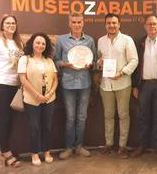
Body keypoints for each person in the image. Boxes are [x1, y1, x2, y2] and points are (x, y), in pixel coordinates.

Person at [54, 12, 96, 159]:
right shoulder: (61, 40)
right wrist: (65, 64)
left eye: (79, 22)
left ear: (83, 23)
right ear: (69, 23)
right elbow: (55, 61)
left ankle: (79, 146)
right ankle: (68, 147)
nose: (77, 25)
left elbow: (94, 62)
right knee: (70, 117)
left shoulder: (90, 40)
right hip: (68, 83)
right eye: (74, 22)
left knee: (82, 117)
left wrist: (91, 65)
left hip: (85, 83)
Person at [97, 13, 138, 158]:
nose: (111, 25)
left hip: (123, 83)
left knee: (123, 115)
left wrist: (122, 72)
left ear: (119, 24)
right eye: (109, 23)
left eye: (114, 23)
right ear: (105, 24)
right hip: (106, 85)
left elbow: (134, 60)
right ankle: (109, 144)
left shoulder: (127, 40)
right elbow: (99, 59)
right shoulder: (101, 41)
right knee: (108, 115)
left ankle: (122, 146)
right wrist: (99, 62)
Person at [131, 15, 157, 159]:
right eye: (149, 24)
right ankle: (142, 146)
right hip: (144, 86)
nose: (152, 27)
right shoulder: (139, 42)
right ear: (145, 26)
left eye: (154, 24)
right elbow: (135, 65)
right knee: (143, 117)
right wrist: (135, 86)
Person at [0, 14, 23, 167]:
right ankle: (6, 152)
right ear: (2, 26)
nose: (10, 25)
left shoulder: (18, 42)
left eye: (13, 23)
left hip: (14, 86)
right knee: (3, 119)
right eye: (7, 23)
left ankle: (4, 150)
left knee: (11, 120)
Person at [18, 33, 58, 166]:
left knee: (47, 126)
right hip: (31, 99)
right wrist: (37, 95)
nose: (40, 45)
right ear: (32, 43)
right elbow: (23, 79)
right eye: (37, 42)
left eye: (43, 43)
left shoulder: (49, 60)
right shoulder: (25, 59)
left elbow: (55, 79)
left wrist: (50, 93)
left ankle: (46, 152)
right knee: (34, 127)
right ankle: (34, 154)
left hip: (49, 99)